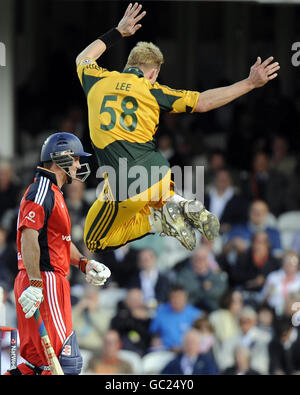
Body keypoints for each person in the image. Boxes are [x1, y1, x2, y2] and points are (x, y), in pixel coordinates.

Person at [75, 2, 279, 255]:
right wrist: (249, 83)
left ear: (130, 64)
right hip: (159, 173)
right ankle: (175, 202)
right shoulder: (154, 91)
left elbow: (83, 57)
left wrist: (118, 31)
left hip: (126, 181)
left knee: (94, 240)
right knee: (148, 198)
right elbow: (204, 102)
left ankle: (159, 220)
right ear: (153, 73)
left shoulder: (97, 80)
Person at [6, 132, 112, 375]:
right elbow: (28, 236)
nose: (78, 165)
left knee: (35, 365)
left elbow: (60, 242)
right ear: (61, 158)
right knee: (65, 363)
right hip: (44, 280)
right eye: (75, 159)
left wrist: (85, 263)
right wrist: (35, 283)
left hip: (42, 280)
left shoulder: (54, 192)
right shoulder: (42, 189)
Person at [149, 285, 202, 351]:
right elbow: (154, 332)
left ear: (185, 298)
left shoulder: (196, 315)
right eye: (174, 297)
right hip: (165, 351)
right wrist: (155, 339)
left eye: (179, 297)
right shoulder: (160, 311)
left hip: (187, 352)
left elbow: (202, 337)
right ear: (169, 299)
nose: (176, 300)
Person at [176, 246, 228, 312]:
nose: (199, 261)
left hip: (212, 310)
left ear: (208, 260)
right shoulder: (184, 274)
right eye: (196, 258)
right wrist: (203, 287)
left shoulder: (216, 275)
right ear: (192, 260)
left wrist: (204, 290)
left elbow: (220, 292)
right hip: (190, 310)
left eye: (202, 258)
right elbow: (182, 291)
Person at [261, 250, 300, 316]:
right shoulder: (273, 277)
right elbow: (263, 299)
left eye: (293, 262)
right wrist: (268, 293)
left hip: (295, 314)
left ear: (298, 265)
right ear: (283, 262)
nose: (290, 264)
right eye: (287, 261)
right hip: (273, 313)